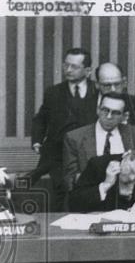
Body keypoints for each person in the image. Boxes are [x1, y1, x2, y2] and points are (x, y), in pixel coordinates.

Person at [29, 48, 98, 210]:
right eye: (66, 65)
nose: (68, 70)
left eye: (74, 66)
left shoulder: (98, 91)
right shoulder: (53, 92)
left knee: (87, 192)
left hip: (88, 152)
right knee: (60, 192)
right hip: (57, 154)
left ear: (88, 71)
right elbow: (41, 118)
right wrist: (37, 141)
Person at [62, 92, 135, 191]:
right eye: (105, 110)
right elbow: (69, 180)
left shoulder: (134, 133)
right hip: (91, 197)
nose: (109, 116)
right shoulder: (75, 137)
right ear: (98, 110)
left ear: (124, 116)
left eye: (115, 112)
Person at [68, 146, 135, 213]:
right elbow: (73, 204)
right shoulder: (98, 165)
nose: (132, 177)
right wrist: (105, 185)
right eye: (131, 170)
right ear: (126, 155)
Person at [93, 62, 135, 128]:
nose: (113, 89)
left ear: (124, 82)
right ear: (97, 84)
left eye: (117, 84)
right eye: (107, 85)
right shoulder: (86, 105)